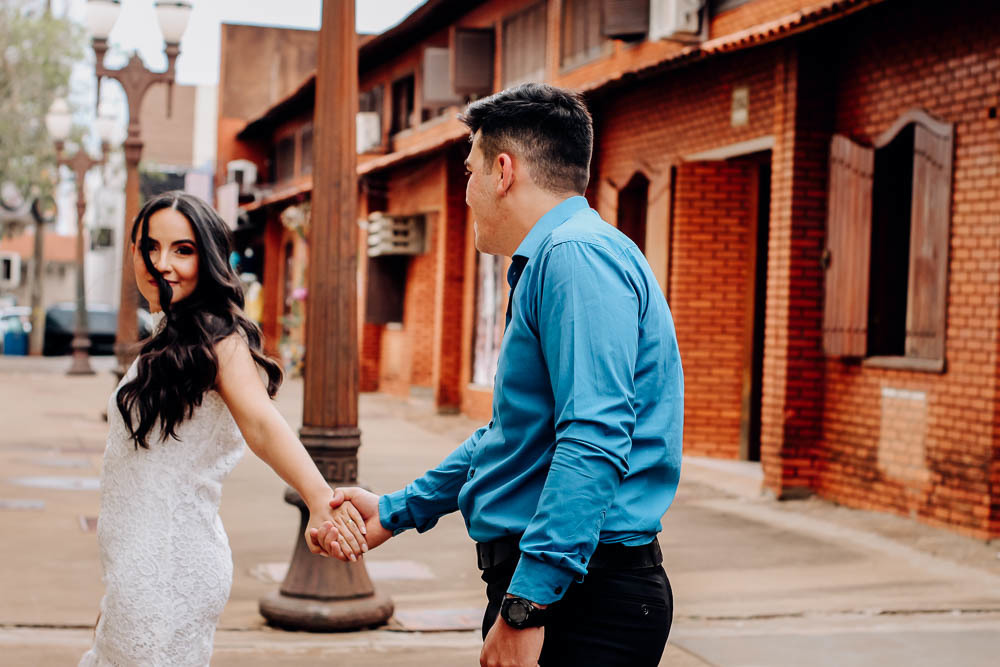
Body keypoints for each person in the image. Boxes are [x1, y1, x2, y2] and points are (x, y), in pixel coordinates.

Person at [317, 83, 684, 667]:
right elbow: (513, 436)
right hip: (565, 589)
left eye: (469, 171)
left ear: (503, 171)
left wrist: (528, 606)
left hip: (579, 598)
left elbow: (593, 438)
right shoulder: (561, 257)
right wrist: (397, 510)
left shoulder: (574, 257)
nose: (466, 192)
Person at [79, 191, 366, 667]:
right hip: (138, 569)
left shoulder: (219, 340)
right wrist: (120, 589)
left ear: (208, 258)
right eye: (150, 247)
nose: (162, 263)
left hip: (169, 565)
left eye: (183, 250)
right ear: (133, 252)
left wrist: (319, 497)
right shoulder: (171, 339)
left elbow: (261, 423)